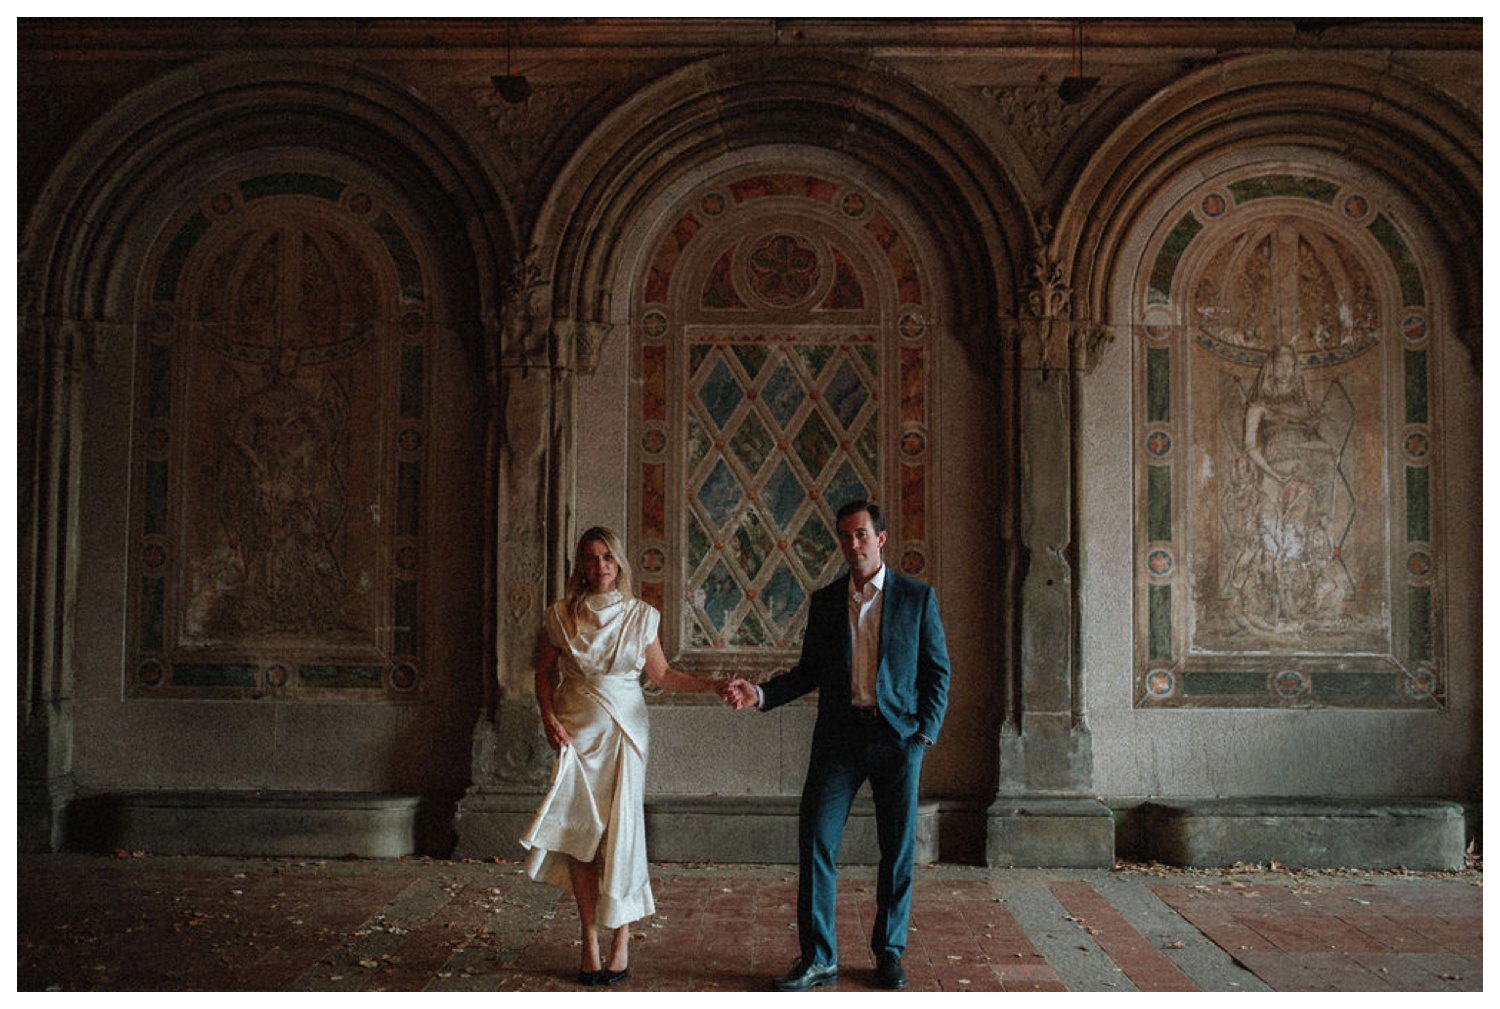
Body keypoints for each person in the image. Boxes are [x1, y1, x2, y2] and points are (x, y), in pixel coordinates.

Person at [723, 499, 950, 991]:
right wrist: (760, 693)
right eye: (845, 536)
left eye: (862, 535)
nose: (853, 544)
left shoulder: (916, 598)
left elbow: (938, 673)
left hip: (898, 738)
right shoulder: (826, 601)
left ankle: (888, 952)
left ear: (881, 538)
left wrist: (923, 736)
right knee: (817, 841)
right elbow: (809, 674)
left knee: (897, 850)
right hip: (839, 740)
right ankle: (819, 957)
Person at [521, 526, 734, 986]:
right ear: (581, 564)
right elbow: (541, 673)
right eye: (592, 558)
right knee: (583, 836)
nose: (600, 567)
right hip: (576, 734)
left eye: (608, 558)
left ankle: (621, 938)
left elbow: (662, 675)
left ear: (620, 564)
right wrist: (547, 719)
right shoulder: (560, 615)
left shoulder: (641, 616)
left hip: (625, 736)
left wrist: (710, 685)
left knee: (622, 835)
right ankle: (589, 938)